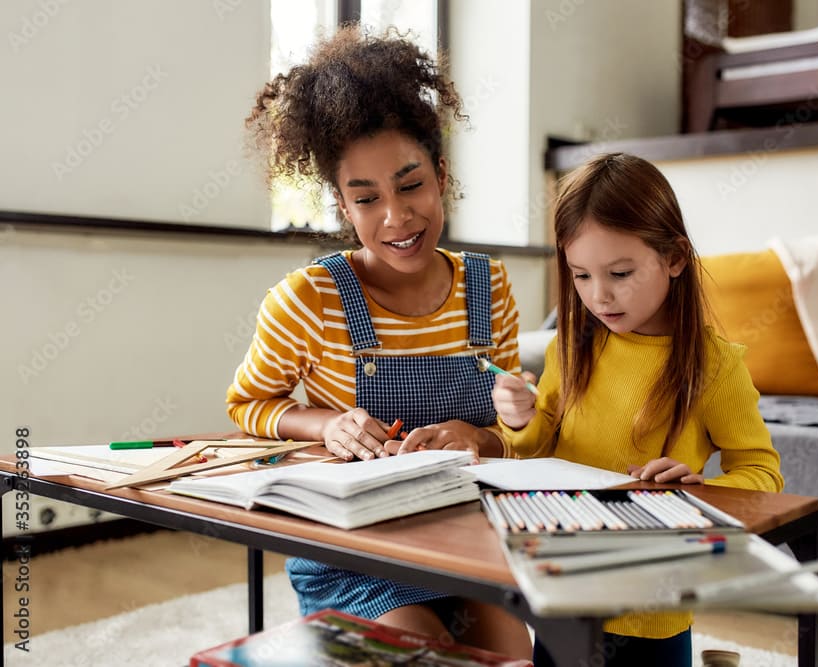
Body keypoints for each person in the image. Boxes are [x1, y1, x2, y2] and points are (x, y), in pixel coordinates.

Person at [226, 25, 531, 660]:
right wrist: (325, 425)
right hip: (355, 549)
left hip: (464, 535)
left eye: (411, 184)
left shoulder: (489, 286)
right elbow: (249, 406)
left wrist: (482, 435)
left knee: (513, 657)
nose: (396, 217)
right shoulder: (308, 299)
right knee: (426, 658)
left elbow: (517, 427)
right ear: (343, 205)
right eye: (367, 199)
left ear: (442, 176)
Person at [491, 152, 784, 666]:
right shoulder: (571, 346)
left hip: (655, 602)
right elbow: (542, 443)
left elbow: (763, 473)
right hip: (566, 583)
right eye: (580, 276)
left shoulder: (713, 365)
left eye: (620, 272)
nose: (598, 296)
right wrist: (519, 418)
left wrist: (701, 490)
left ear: (674, 258)